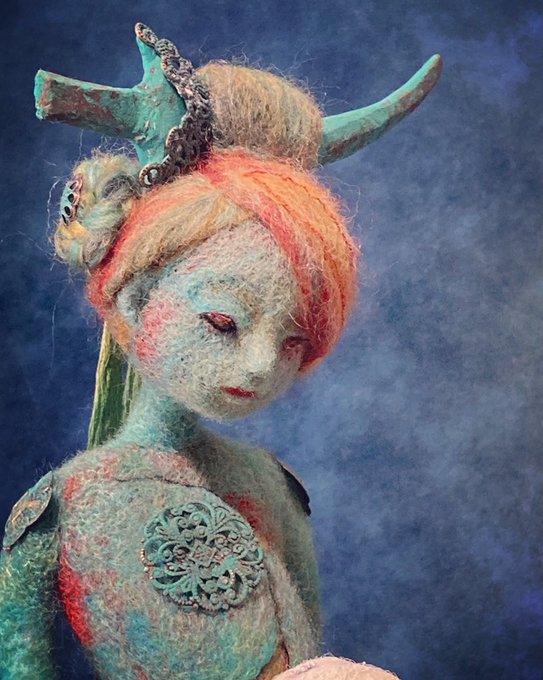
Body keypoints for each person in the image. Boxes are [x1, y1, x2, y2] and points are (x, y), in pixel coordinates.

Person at [1, 24, 441, 679]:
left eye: (293, 341)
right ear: (134, 300)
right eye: (221, 321)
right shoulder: (58, 511)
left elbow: (305, 644)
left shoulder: (273, 487)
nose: (264, 365)